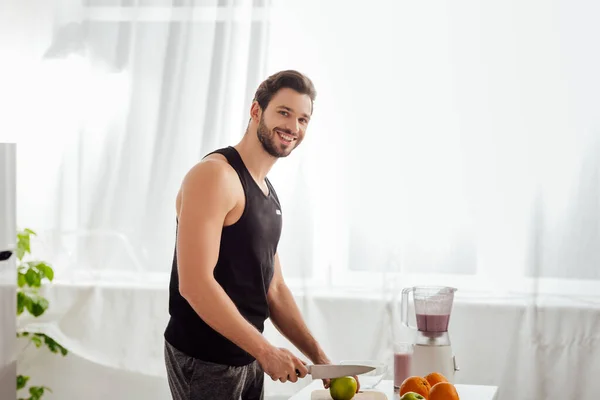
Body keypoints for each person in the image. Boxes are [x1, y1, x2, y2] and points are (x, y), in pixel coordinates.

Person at [163, 70, 360, 400]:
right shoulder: (215, 176)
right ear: (256, 111)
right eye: (284, 112)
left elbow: (274, 287)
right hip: (206, 358)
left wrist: (322, 361)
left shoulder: (267, 193)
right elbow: (194, 284)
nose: (293, 127)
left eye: (303, 119)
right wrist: (267, 351)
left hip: (248, 354)